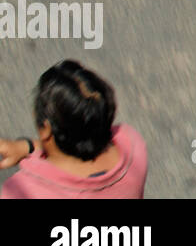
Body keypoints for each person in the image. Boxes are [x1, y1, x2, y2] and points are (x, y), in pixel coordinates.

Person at [0, 60, 147, 199]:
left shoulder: (24, 191)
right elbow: (80, 140)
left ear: (46, 129)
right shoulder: (132, 144)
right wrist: (29, 147)